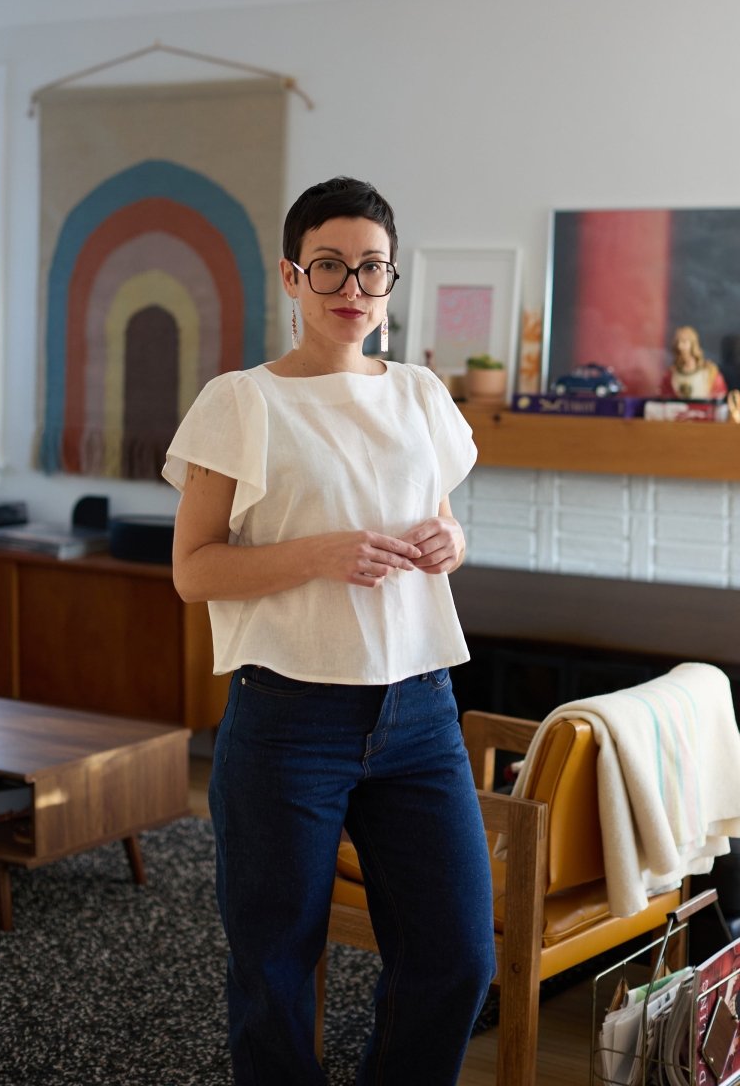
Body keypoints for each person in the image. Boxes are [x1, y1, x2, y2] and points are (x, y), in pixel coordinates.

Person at [162, 176, 496, 1085]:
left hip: (420, 710)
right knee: (274, 974)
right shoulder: (241, 402)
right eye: (330, 265)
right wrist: (319, 554)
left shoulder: (421, 394)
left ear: (391, 281)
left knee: (459, 958)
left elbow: (440, 523)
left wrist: (453, 541)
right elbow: (193, 570)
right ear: (291, 275)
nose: (353, 286)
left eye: (372, 268)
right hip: (288, 721)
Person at [660, 325, 728, 399]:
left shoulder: (710, 372)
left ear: (693, 344)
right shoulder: (671, 375)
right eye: (677, 342)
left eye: (684, 342)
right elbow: (665, 397)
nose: (679, 346)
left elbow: (719, 397)